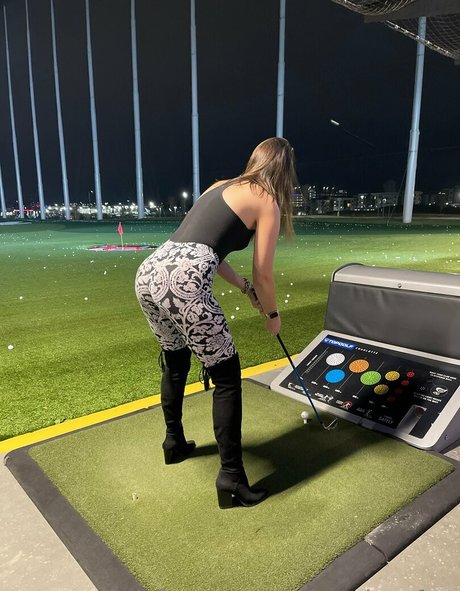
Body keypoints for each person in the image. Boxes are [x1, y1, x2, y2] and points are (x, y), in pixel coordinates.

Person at [135, 137, 297, 509]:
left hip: (149, 274)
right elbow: (264, 273)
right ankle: (232, 479)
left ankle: (174, 443)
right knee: (226, 376)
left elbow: (208, 248)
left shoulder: (219, 186)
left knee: (175, 359)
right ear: (285, 172)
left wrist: (243, 288)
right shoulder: (267, 200)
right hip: (183, 282)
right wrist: (272, 315)